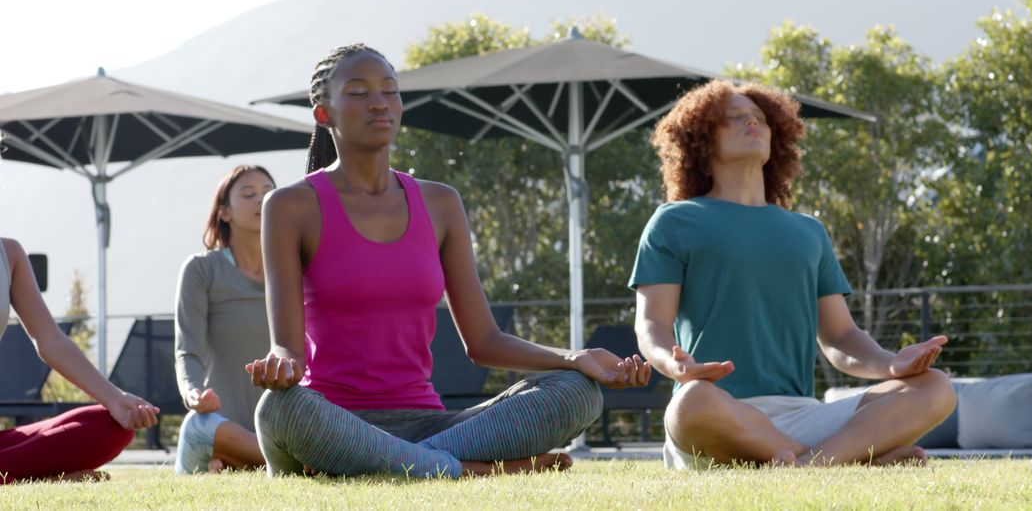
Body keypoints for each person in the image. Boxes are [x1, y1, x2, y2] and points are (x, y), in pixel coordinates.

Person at [248, 43, 651, 479]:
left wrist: (575, 358)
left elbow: (484, 341)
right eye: (359, 92)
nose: (380, 102)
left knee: (576, 392)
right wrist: (281, 366)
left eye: (390, 90)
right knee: (279, 408)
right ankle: (471, 471)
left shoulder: (440, 203)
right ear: (324, 114)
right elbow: (287, 348)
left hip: (431, 422)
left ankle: (380, 466)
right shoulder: (290, 206)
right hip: (333, 420)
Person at [630, 80, 957, 468]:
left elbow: (840, 337)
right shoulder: (674, 221)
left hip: (803, 418)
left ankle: (807, 464)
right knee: (691, 402)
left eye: (760, 118)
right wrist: (675, 364)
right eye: (733, 118)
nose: (751, 122)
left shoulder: (809, 231)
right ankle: (845, 460)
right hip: (718, 416)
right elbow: (651, 324)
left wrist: (891, 364)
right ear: (701, 139)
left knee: (936, 388)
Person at [0, 237, 159, 483]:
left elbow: (50, 340)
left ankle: (14, 478)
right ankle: (40, 480)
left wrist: (115, 398)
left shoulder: (9, 254)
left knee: (111, 427)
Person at [173, 165, 273, 473]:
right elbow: (187, 351)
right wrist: (193, 394)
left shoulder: (296, 273)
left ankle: (255, 460)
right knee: (197, 425)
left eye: (269, 193)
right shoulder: (202, 270)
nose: (261, 200)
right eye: (248, 194)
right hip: (217, 429)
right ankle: (281, 462)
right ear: (225, 212)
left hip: (282, 429)